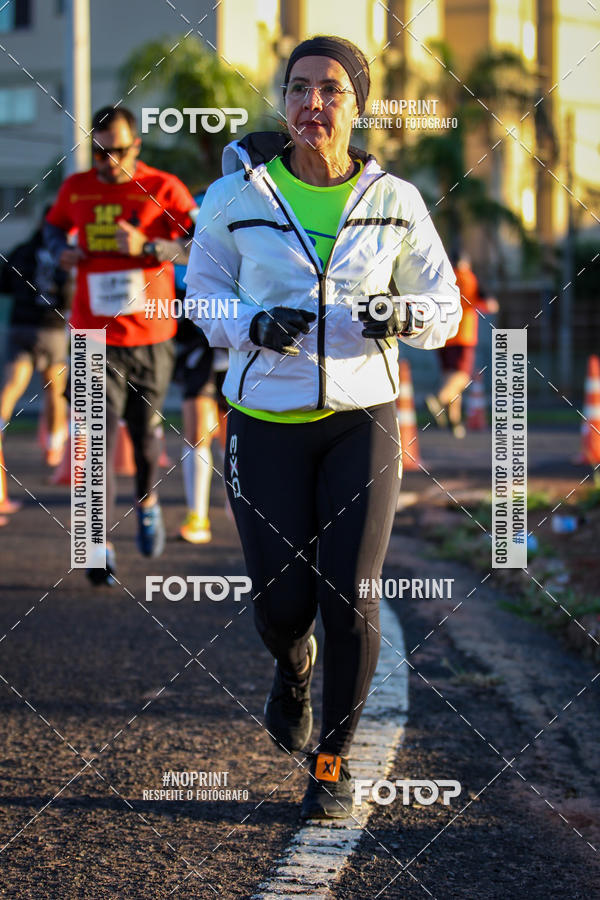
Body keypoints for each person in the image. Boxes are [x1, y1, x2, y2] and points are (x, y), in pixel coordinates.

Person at [185, 35, 461, 819]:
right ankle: (293, 668)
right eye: (299, 88)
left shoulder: (396, 200)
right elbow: (199, 291)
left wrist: (401, 312)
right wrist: (248, 324)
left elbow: (445, 307)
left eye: (331, 89)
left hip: (360, 421)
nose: (313, 103)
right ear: (284, 101)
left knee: (351, 598)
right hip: (263, 420)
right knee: (283, 607)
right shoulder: (236, 195)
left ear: (357, 105)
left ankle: (332, 766)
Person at [44, 106, 198, 584]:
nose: (108, 161)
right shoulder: (76, 188)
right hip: (92, 335)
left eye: (119, 151)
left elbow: (201, 245)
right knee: (94, 441)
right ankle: (95, 546)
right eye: (99, 152)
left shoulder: (164, 187)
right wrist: (60, 251)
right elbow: (52, 228)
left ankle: (147, 501)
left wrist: (150, 248)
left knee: (145, 438)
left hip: (151, 336)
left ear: (138, 147)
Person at [0, 208, 70, 468]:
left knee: (11, 386)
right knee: (55, 390)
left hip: (21, 324)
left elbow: (4, 283)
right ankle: (53, 448)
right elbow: (70, 291)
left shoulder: (21, 250)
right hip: (52, 327)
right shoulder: (65, 253)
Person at [425, 253, 498, 438]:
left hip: (443, 335)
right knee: (462, 377)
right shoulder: (469, 279)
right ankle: (439, 399)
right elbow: (491, 304)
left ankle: (455, 422)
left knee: (450, 378)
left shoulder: (443, 279)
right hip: (463, 335)